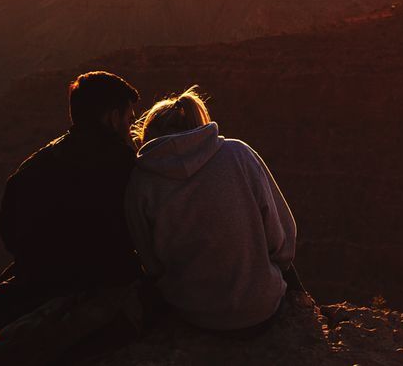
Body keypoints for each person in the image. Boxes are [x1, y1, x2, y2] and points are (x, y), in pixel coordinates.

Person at [125, 86, 302, 333]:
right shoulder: (239, 153)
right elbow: (281, 234)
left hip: (192, 314)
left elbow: (151, 264)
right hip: (261, 308)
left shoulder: (142, 180)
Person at [0, 70, 142, 337]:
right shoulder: (127, 166)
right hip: (103, 285)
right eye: (128, 119)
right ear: (113, 118)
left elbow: (10, 235)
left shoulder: (31, 168)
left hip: (37, 285)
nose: (130, 129)